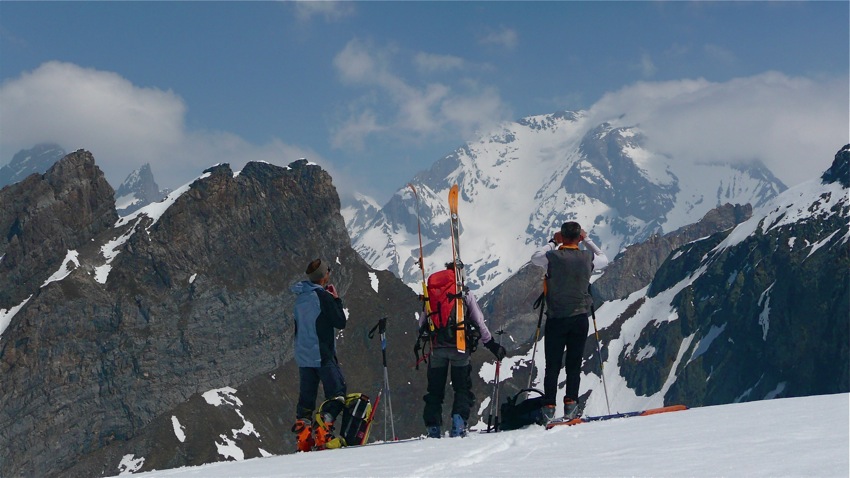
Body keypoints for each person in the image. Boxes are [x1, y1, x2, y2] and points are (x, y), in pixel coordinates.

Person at [530, 222, 609, 421]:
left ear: (562, 236)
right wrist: (587, 239)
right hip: (579, 317)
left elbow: (535, 258)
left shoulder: (552, 257)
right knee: (574, 363)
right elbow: (604, 259)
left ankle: (549, 407)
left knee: (552, 365)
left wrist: (552, 241)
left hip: (556, 318)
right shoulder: (587, 258)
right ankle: (571, 405)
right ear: (578, 238)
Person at [420, 262, 507, 438]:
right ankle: (458, 423)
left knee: (435, 390)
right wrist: (491, 344)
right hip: (459, 348)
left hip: (437, 347)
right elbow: (478, 320)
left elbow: (422, 323)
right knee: (462, 388)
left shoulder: (432, 293)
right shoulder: (464, 293)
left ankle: (433, 427)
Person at [290, 258, 347, 451]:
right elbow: (340, 322)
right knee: (338, 394)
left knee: (306, 401)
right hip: (321, 354)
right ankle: (324, 429)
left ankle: (304, 439)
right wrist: (336, 299)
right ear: (324, 276)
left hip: (303, 355)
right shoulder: (323, 297)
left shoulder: (300, 297)